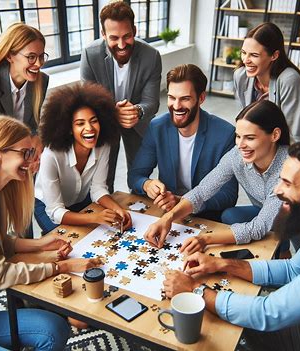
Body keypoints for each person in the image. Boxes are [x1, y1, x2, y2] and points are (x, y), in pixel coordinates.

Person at [163, 140, 300, 351]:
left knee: (226, 331)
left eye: (287, 183)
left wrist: (195, 289)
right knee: (236, 318)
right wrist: (221, 264)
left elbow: (268, 313)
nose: (277, 190)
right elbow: (293, 269)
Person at [0, 116, 103, 350]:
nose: (32, 161)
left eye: (32, 153)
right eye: (25, 153)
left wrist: (41, 244)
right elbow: (0, 275)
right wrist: (62, 267)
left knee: (55, 329)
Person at [144, 100, 290, 250]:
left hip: (296, 221)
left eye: (250, 138)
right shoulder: (237, 155)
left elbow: (258, 227)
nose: (240, 145)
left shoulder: (288, 168)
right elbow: (202, 191)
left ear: (275, 135)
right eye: (238, 136)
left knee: (276, 232)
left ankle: (283, 251)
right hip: (266, 210)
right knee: (229, 216)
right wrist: (168, 217)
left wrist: (205, 239)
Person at [128, 64, 238, 221]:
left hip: (205, 216)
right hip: (167, 212)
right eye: (172, 97)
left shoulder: (225, 134)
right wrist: (147, 184)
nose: (177, 106)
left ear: (201, 98)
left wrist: (185, 202)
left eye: (185, 99)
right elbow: (135, 175)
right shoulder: (157, 126)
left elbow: (229, 195)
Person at [80, 1, 162, 193]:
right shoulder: (90, 54)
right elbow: (88, 100)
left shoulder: (151, 56)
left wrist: (137, 111)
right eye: (114, 38)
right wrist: (111, 113)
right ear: (103, 34)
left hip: (137, 122)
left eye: (127, 36)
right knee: (103, 178)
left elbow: (152, 101)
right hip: (105, 121)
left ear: (134, 29)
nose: (122, 44)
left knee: (139, 176)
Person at [34, 82, 132, 235]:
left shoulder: (103, 145)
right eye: (80, 123)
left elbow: (98, 188)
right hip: (48, 207)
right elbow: (56, 211)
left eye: (94, 121)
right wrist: (95, 217)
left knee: (100, 234)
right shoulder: (51, 155)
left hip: (80, 199)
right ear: (69, 129)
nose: (89, 128)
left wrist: (118, 209)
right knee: (71, 241)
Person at [0, 22, 49, 171]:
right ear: (10, 55)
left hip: (18, 153)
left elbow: (33, 124)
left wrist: (36, 140)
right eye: (31, 57)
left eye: (42, 56)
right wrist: (30, 146)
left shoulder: (41, 81)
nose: (38, 64)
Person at [234, 22, 300, 143]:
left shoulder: (289, 80)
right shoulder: (240, 76)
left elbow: (296, 138)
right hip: (265, 146)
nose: (246, 60)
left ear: (274, 55)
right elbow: (245, 123)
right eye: (244, 53)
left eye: (254, 55)